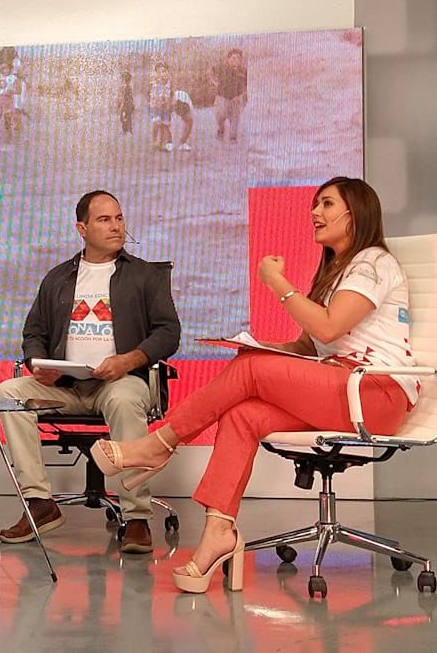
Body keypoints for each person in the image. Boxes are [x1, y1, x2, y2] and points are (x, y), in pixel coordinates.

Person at [93, 177, 418, 592]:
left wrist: (277, 284)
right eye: (315, 205)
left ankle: (158, 445)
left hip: (376, 394)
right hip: (341, 387)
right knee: (243, 412)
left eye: (326, 204)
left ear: (355, 213)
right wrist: (258, 348)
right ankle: (218, 533)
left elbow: (331, 325)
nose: (314, 213)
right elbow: (308, 345)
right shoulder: (336, 270)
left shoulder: (373, 263)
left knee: (252, 372)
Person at [0, 190, 181, 553]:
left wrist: (128, 360)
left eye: (119, 218)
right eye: (104, 220)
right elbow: (34, 331)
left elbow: (168, 332)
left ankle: (137, 516)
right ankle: (39, 503)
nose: (116, 226)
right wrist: (37, 364)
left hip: (121, 382)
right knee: (8, 393)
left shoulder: (144, 275)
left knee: (125, 399)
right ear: (82, 228)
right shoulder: (58, 277)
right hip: (66, 386)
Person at [210, 48, 248, 143]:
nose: (236, 61)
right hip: (222, 96)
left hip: (236, 97)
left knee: (235, 117)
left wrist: (244, 96)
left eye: (238, 58)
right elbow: (211, 71)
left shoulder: (243, 71)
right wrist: (214, 82)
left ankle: (233, 137)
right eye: (234, 58)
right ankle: (221, 129)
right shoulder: (221, 68)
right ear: (228, 59)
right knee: (220, 116)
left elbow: (245, 85)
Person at [148, 62, 173, 151]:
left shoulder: (169, 83)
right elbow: (151, 95)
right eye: (159, 72)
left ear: (167, 72)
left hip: (166, 107)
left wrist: (169, 104)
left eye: (164, 71)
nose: (161, 74)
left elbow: (170, 95)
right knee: (157, 122)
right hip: (155, 107)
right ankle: (154, 140)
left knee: (164, 125)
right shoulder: (154, 83)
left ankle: (162, 143)